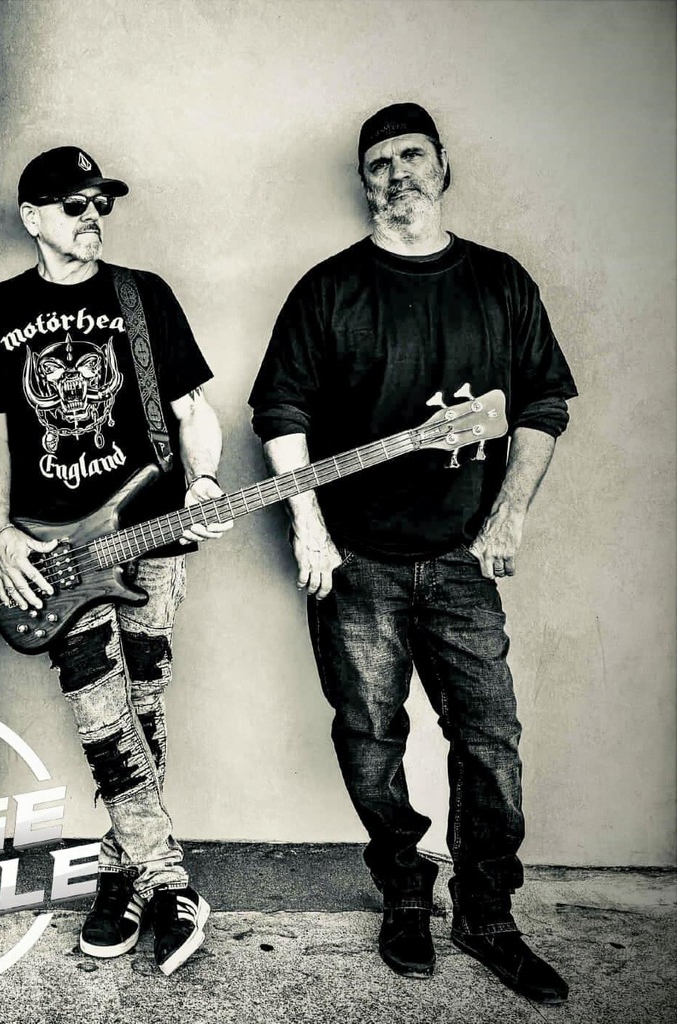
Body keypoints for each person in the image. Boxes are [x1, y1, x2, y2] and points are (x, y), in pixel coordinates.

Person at [248, 103, 577, 1004]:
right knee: (370, 737)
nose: (398, 173)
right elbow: (280, 411)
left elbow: (543, 405)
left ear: (443, 165)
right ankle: (403, 889)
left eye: (412, 155)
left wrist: (507, 517)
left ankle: (488, 914)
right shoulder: (330, 289)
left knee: (490, 739)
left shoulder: (500, 282)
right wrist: (309, 527)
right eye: (379, 163)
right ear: (364, 182)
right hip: (357, 563)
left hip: (464, 559)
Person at [0, 146, 231, 976]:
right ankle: (169, 878)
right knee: (101, 714)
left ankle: (123, 876)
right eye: (74, 204)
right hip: (55, 550)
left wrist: (205, 480)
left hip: (151, 537)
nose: (92, 217)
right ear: (33, 217)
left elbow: (194, 410)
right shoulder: (0, 308)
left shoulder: (142, 296)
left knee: (142, 706)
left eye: (101, 204)